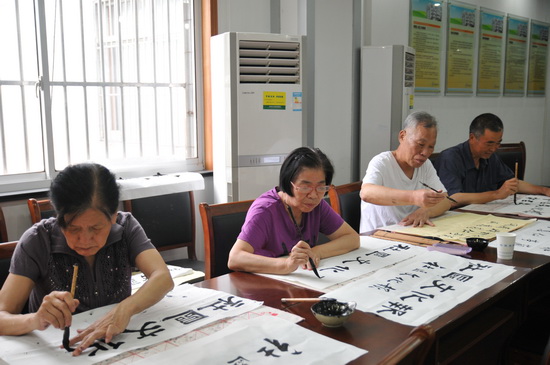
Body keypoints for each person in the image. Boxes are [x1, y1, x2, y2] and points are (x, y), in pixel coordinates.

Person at [0, 163, 173, 356]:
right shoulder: (38, 240)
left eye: (96, 228)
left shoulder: (126, 227)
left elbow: (163, 277)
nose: (85, 240)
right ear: (59, 218)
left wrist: (124, 310)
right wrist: (36, 319)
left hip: (117, 346)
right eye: (73, 229)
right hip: (60, 353)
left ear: (114, 217)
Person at [228, 147, 360, 275]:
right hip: (263, 283)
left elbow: (352, 239)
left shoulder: (316, 206)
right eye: (305, 187)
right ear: (287, 182)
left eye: (321, 187)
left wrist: (315, 252)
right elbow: (235, 258)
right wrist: (286, 264)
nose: (313, 195)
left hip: (298, 281)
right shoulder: (265, 210)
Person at [359, 111, 452, 233]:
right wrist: (413, 197)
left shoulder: (425, 165)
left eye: (431, 147)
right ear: (402, 136)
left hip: (411, 234)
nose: (425, 153)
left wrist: (425, 211)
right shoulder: (382, 162)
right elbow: (366, 193)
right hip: (379, 237)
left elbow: (445, 199)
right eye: (420, 144)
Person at [434, 113, 550, 206]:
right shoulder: (451, 158)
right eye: (489, 143)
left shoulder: (490, 157)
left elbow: (512, 184)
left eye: (498, 143)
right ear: (472, 137)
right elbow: (454, 198)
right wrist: (497, 194)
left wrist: (544, 190)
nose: (494, 149)